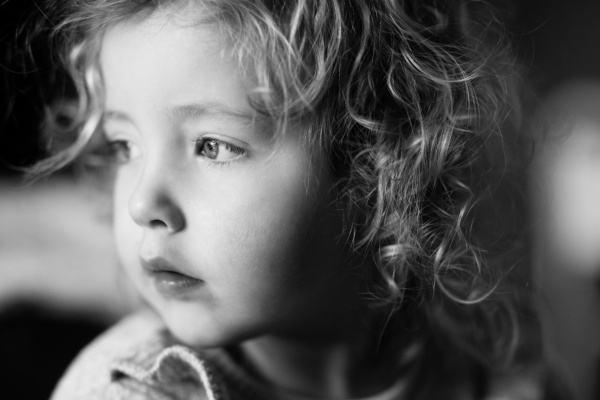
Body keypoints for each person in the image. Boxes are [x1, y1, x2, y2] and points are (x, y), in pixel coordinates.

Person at [30, 0, 544, 399]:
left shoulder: (493, 373)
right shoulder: (129, 388)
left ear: (380, 163)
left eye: (213, 146)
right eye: (125, 147)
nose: (143, 204)